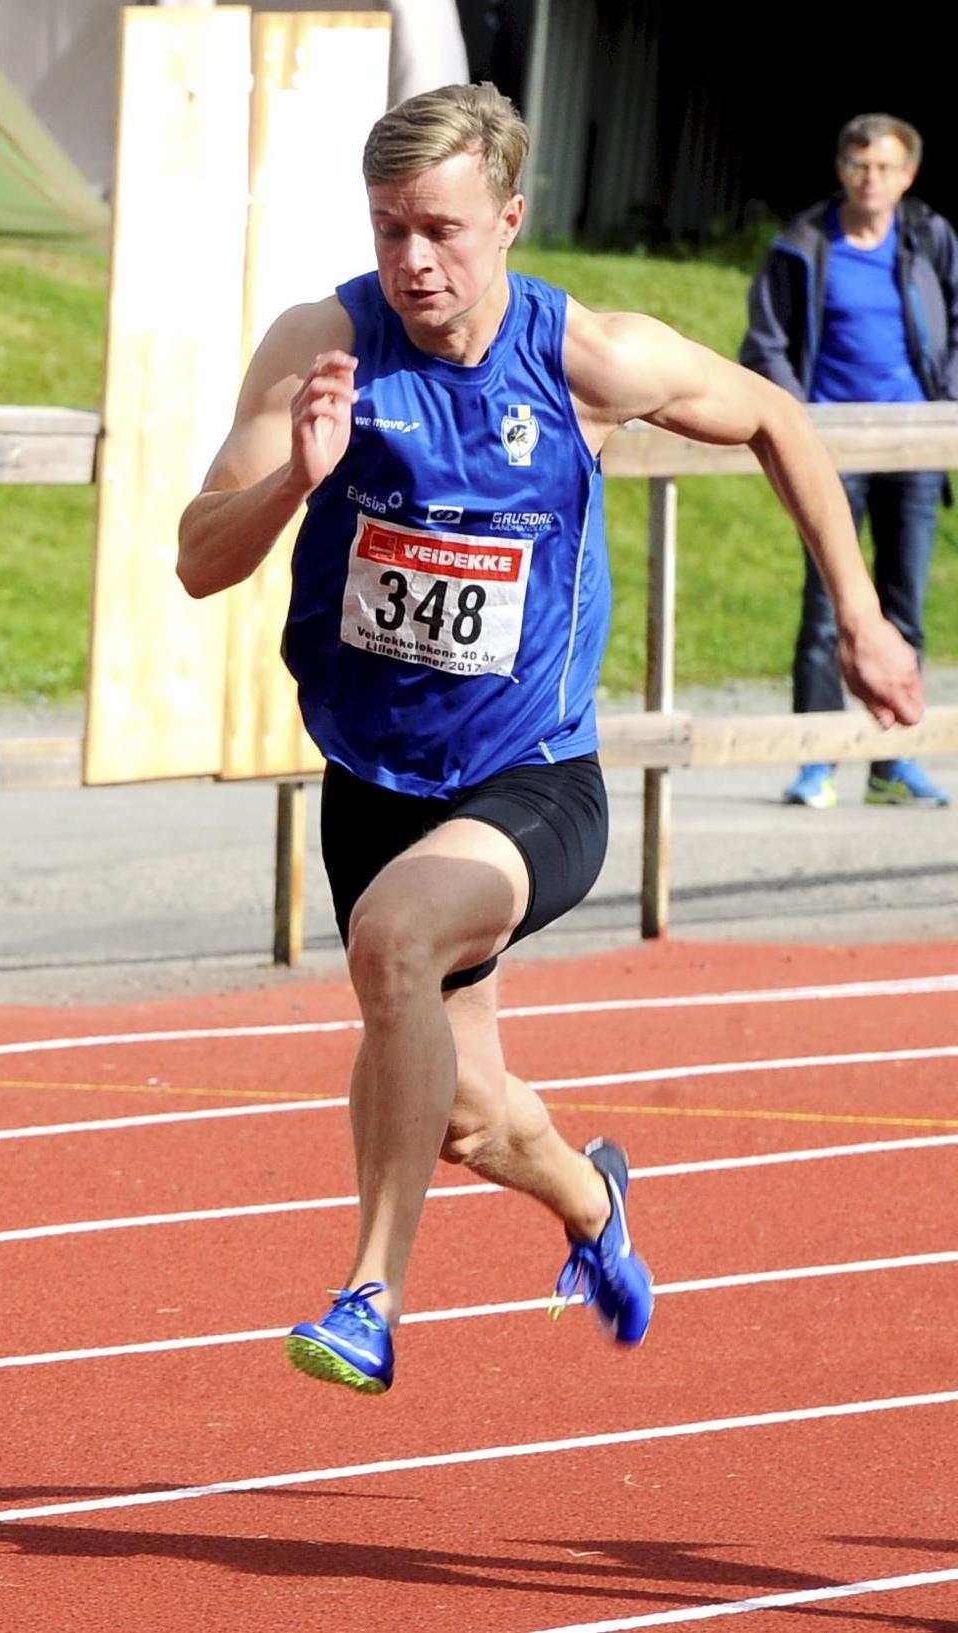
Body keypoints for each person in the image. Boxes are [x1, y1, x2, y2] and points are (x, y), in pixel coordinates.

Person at [177, 83, 923, 1395]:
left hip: (534, 783)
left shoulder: (585, 358)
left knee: (396, 938)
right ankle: (595, 1206)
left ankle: (368, 1296)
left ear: (509, 219)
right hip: (373, 784)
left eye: (444, 231)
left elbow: (774, 416)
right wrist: (299, 477)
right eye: (391, 226)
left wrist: (861, 617)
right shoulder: (321, 347)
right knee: (464, 1112)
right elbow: (195, 559)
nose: (413, 259)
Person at [741, 111, 957, 810]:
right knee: (830, 610)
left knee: (905, 608)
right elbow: (766, 342)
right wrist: (797, 422)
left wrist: (944, 404)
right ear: (842, 169)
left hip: (915, 442)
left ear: (908, 175)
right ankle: (815, 759)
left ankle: (894, 762)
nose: (873, 179)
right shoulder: (804, 243)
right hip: (829, 450)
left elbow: (954, 326)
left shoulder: (929, 238)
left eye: (887, 167)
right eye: (861, 165)